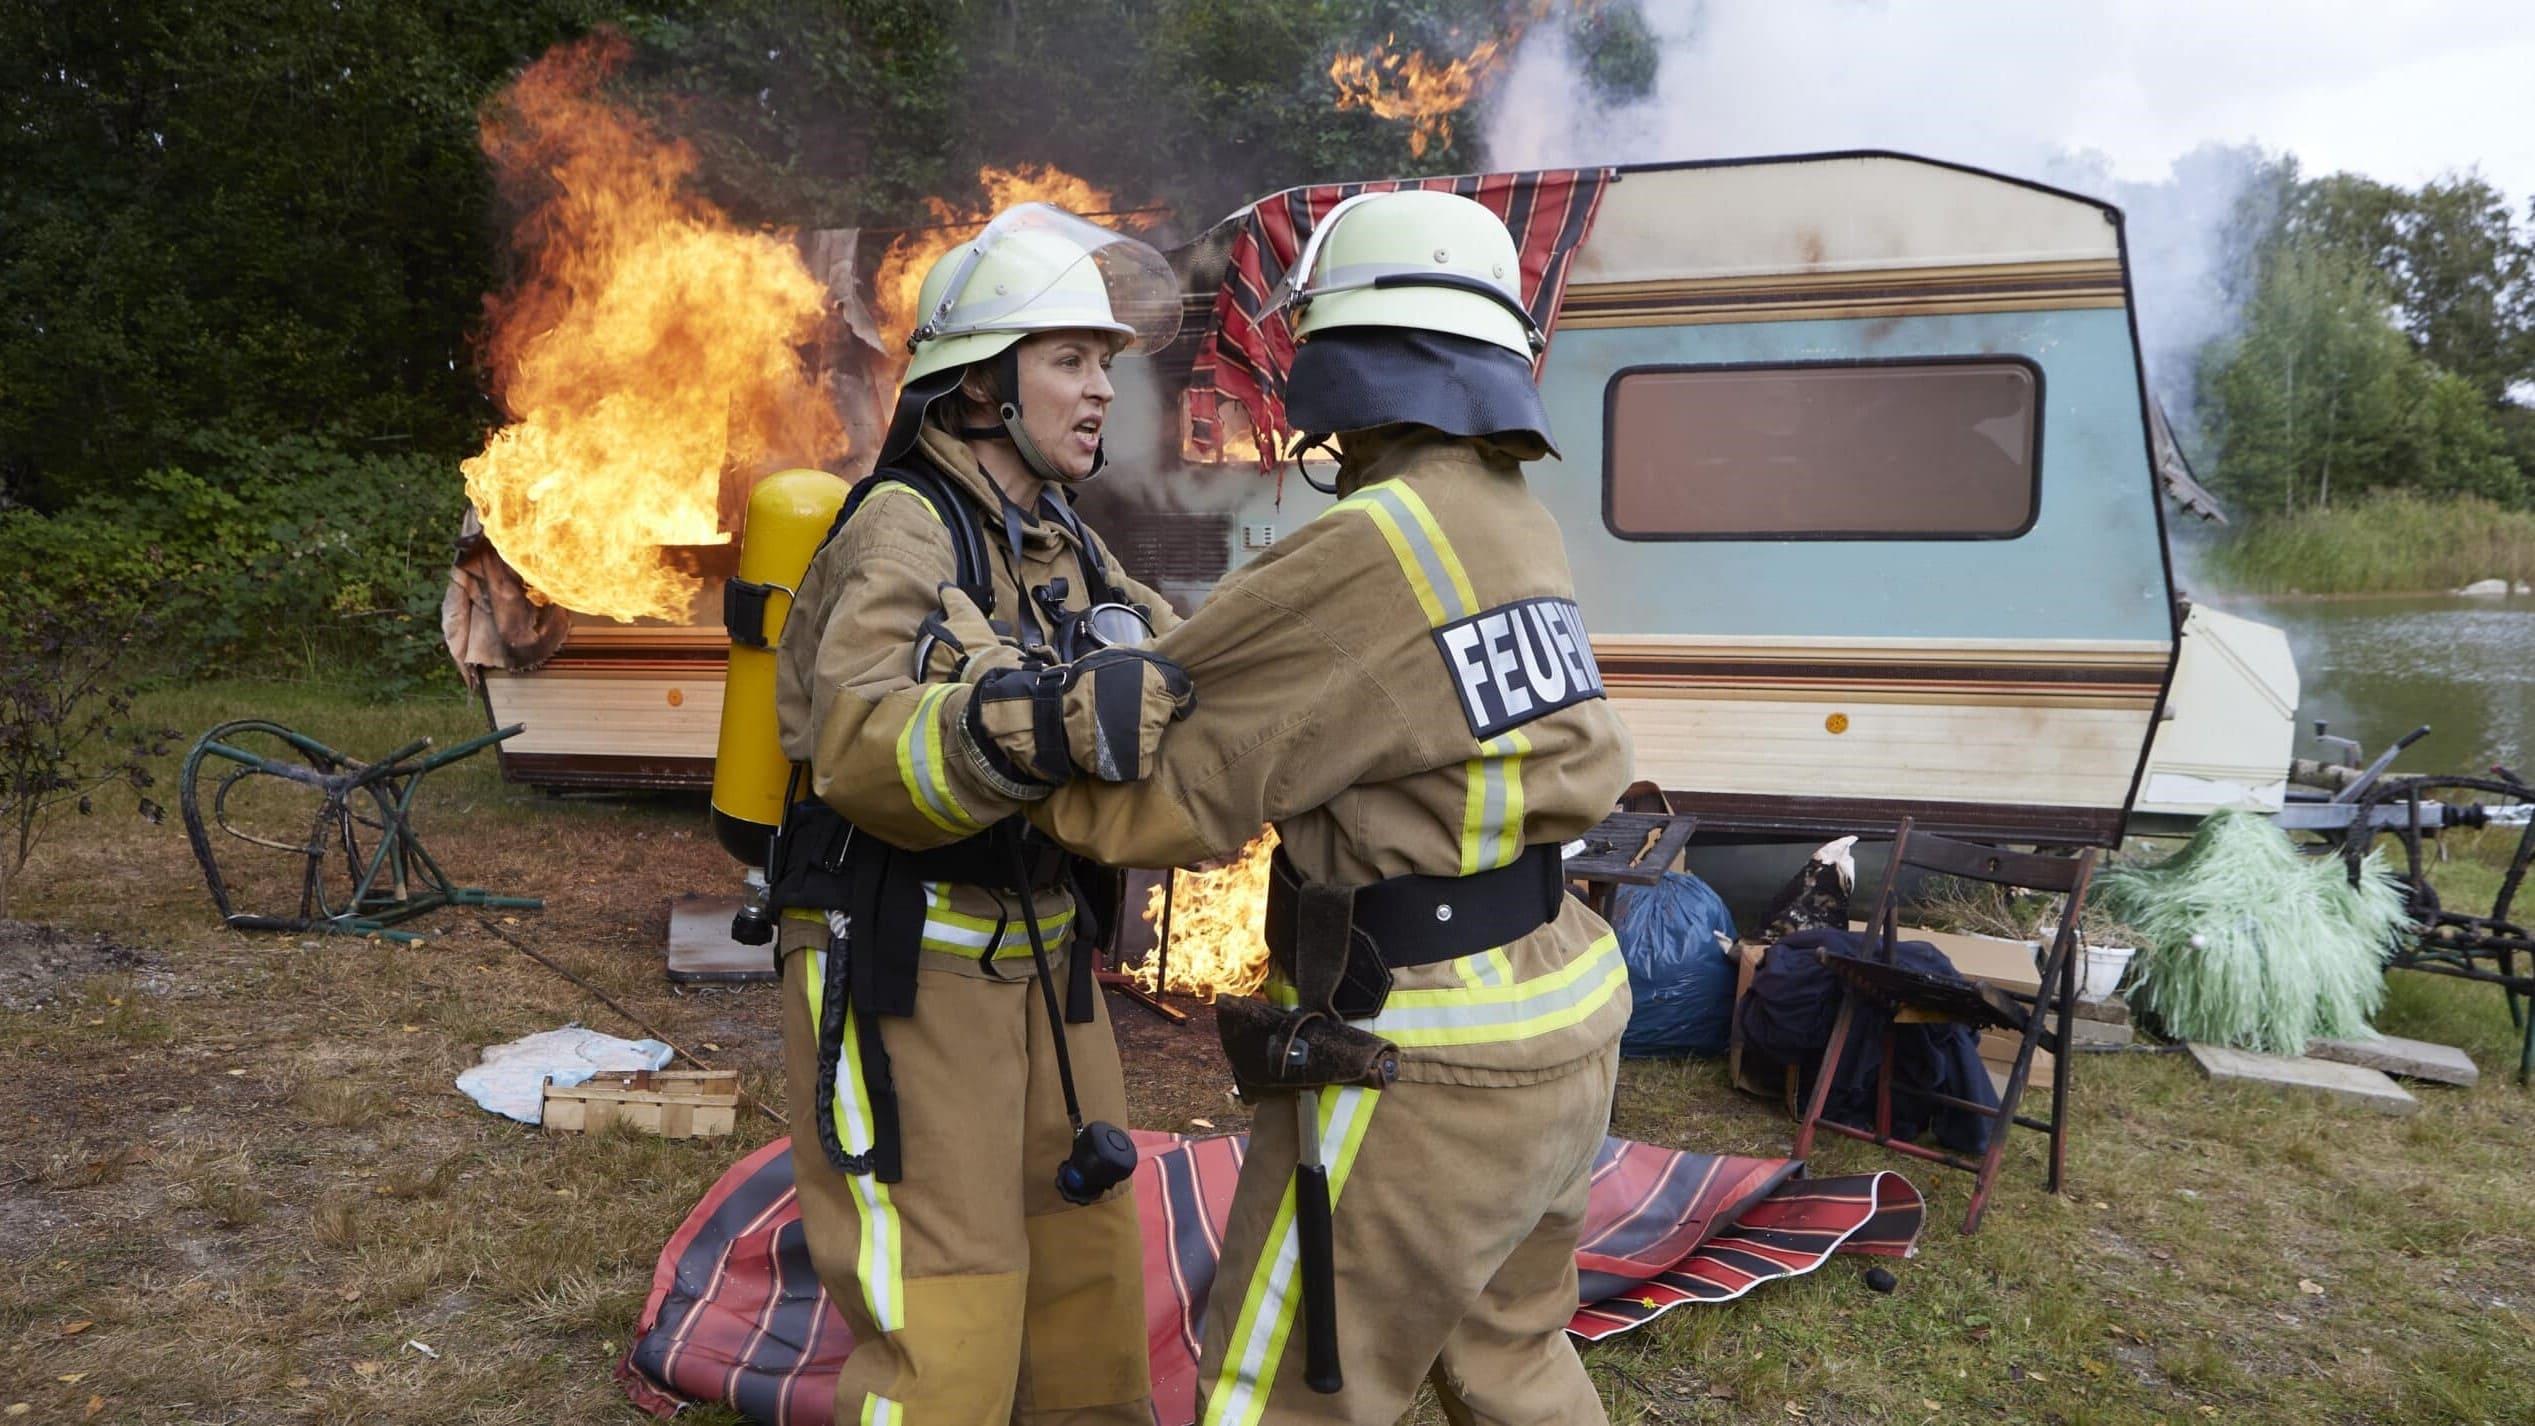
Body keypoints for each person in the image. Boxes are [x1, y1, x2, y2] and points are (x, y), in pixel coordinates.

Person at [1005, 188, 1636, 1424]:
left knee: (1286, 1393)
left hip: (1421, 1058)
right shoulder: (1513, 520)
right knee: (1515, 1363)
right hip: (1562, 1012)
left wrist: (997, 763)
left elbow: (1177, 794)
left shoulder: (1375, 543)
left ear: (1337, 361)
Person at [766, 202, 1196, 1426]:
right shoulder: (905, 522)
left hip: (1043, 953)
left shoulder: (1059, 532)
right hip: (903, 953)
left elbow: (1171, 651)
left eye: (1104, 360)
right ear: (975, 385)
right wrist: (1048, 722)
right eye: (1069, 357)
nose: (1101, 388)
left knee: (1084, 1264)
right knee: (946, 1298)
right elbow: (856, 744)